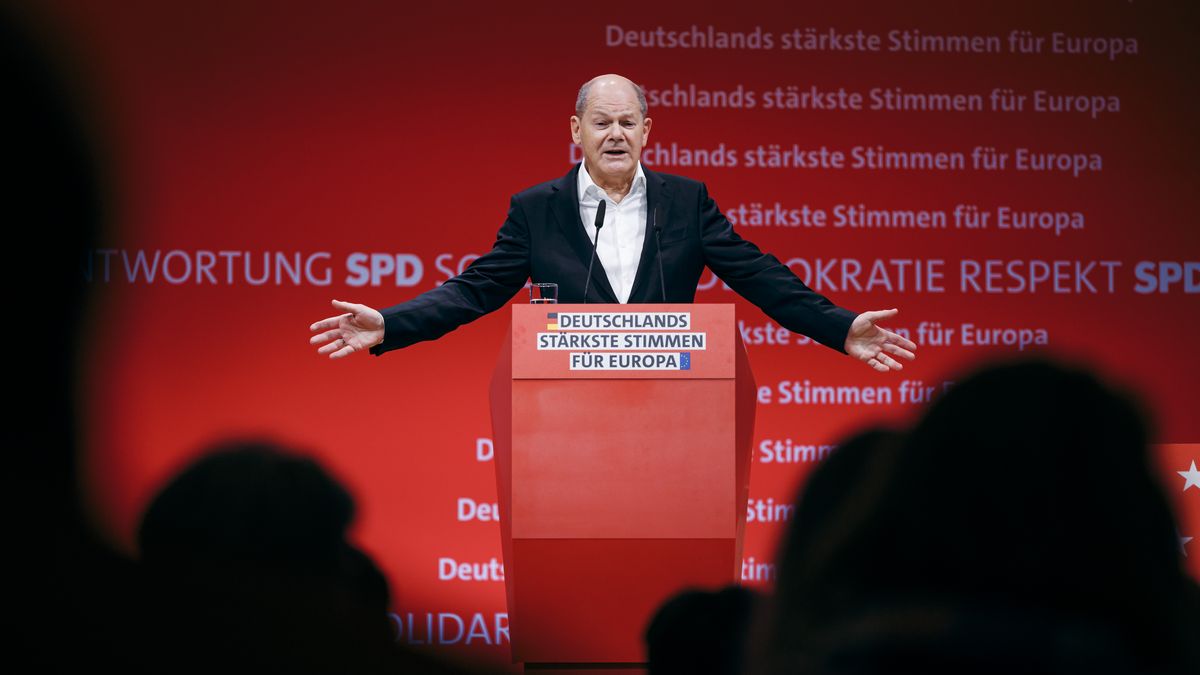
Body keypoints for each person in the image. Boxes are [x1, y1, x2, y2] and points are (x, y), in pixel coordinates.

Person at [310, 74, 916, 371]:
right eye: (602, 123)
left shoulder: (686, 201)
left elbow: (758, 275)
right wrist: (390, 323)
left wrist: (839, 328)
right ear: (576, 132)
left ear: (648, 132)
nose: (616, 135)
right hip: (566, 408)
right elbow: (476, 288)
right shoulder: (535, 208)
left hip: (673, 400)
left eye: (628, 122)